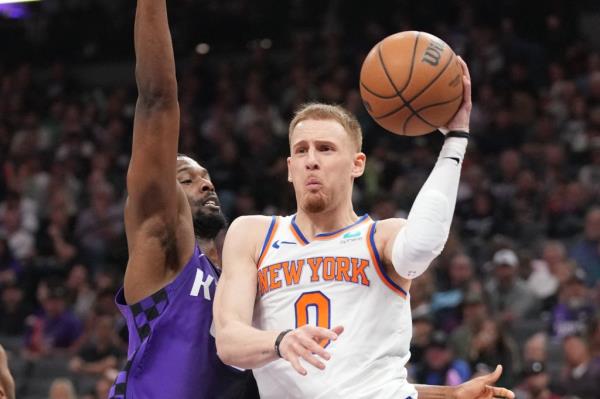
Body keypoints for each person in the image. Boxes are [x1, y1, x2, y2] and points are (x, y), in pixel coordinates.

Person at [215, 59, 514, 398]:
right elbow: (228, 341)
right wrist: (280, 340)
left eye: (325, 149)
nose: (311, 159)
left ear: (357, 164)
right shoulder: (253, 235)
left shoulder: (381, 237)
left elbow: (422, 245)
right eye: (301, 151)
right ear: (289, 168)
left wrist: (455, 140)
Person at [107, 0, 257, 397]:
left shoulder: (244, 279)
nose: (206, 185)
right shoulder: (165, 252)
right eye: (186, 179)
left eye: (207, 178)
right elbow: (156, 100)